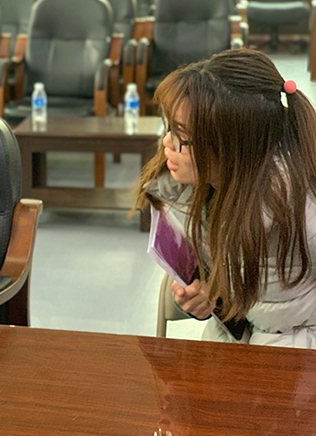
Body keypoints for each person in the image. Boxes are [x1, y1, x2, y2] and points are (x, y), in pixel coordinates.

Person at [135, 48, 316, 348]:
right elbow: (233, 291)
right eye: (168, 128)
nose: (167, 142)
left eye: (181, 137)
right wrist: (210, 297)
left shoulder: (302, 207)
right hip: (237, 343)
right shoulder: (205, 188)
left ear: (230, 147)